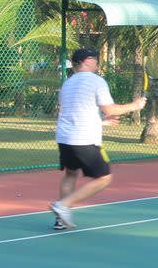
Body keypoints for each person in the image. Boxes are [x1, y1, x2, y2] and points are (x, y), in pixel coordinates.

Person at [49, 48, 146, 230]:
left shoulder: (68, 84)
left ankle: (60, 219)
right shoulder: (96, 81)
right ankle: (63, 205)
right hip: (85, 139)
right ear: (86, 61)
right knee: (104, 178)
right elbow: (110, 109)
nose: (97, 62)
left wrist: (101, 123)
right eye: (95, 59)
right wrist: (135, 105)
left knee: (70, 174)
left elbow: (74, 112)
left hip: (65, 138)